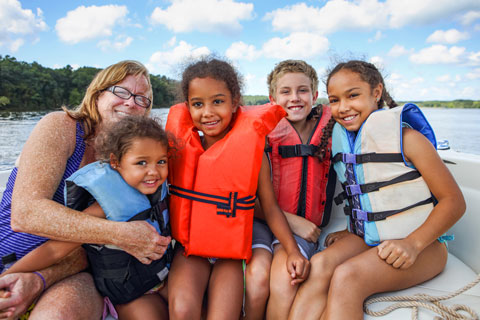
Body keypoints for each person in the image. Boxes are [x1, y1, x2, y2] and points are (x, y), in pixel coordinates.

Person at [288, 60, 466, 320]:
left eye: (353, 95)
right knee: (320, 264)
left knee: (347, 277)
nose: (343, 107)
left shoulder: (408, 139)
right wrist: (351, 230)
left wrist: (412, 244)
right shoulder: (344, 143)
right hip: (368, 238)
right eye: (335, 100)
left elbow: (454, 202)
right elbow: (368, 198)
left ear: (377, 92)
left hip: (424, 247)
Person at [0, 60, 170, 319]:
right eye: (121, 92)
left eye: (142, 99)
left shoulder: (130, 165)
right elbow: (26, 214)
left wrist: (39, 279)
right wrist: (121, 234)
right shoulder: (63, 127)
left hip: (69, 271)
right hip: (10, 257)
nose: (131, 103)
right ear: (98, 93)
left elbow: (85, 250)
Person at [165, 57, 310, 319]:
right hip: (189, 251)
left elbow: (270, 208)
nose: (207, 112)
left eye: (217, 102)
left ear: (235, 102)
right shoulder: (177, 149)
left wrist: (292, 251)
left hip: (228, 256)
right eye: (198, 104)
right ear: (187, 107)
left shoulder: (252, 154)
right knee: (183, 310)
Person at [244, 60, 336, 320]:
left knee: (285, 280)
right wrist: (292, 221)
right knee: (257, 277)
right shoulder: (260, 133)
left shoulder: (331, 130)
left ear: (315, 96)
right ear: (272, 98)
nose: (294, 98)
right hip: (261, 222)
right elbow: (243, 196)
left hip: (300, 232)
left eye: (302, 91)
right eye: (285, 92)